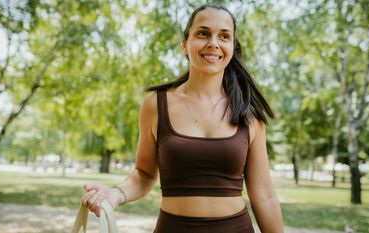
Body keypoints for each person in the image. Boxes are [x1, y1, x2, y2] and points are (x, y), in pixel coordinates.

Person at [81, 4, 283, 233]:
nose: (213, 43)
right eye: (203, 33)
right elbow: (145, 173)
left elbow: (264, 196)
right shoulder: (156, 105)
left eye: (224, 36)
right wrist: (116, 193)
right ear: (185, 44)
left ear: (232, 47)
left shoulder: (249, 114)